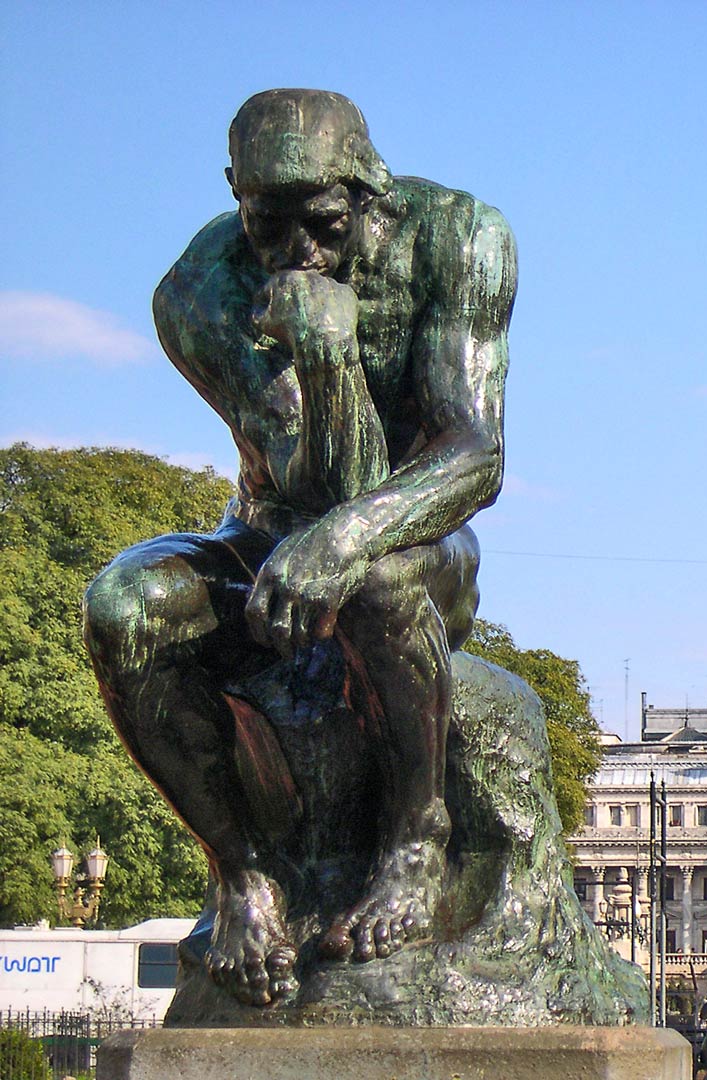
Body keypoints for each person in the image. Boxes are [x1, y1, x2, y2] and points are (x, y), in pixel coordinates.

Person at [83, 89, 516, 1007]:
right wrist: (323, 360)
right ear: (235, 196)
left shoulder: (460, 240)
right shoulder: (198, 291)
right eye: (266, 227)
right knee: (120, 608)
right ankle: (243, 872)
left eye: (323, 224)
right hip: (264, 534)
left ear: (372, 190)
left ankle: (415, 835)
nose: (297, 255)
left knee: (371, 574)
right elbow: (302, 477)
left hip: (420, 541)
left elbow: (475, 453)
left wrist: (347, 533)